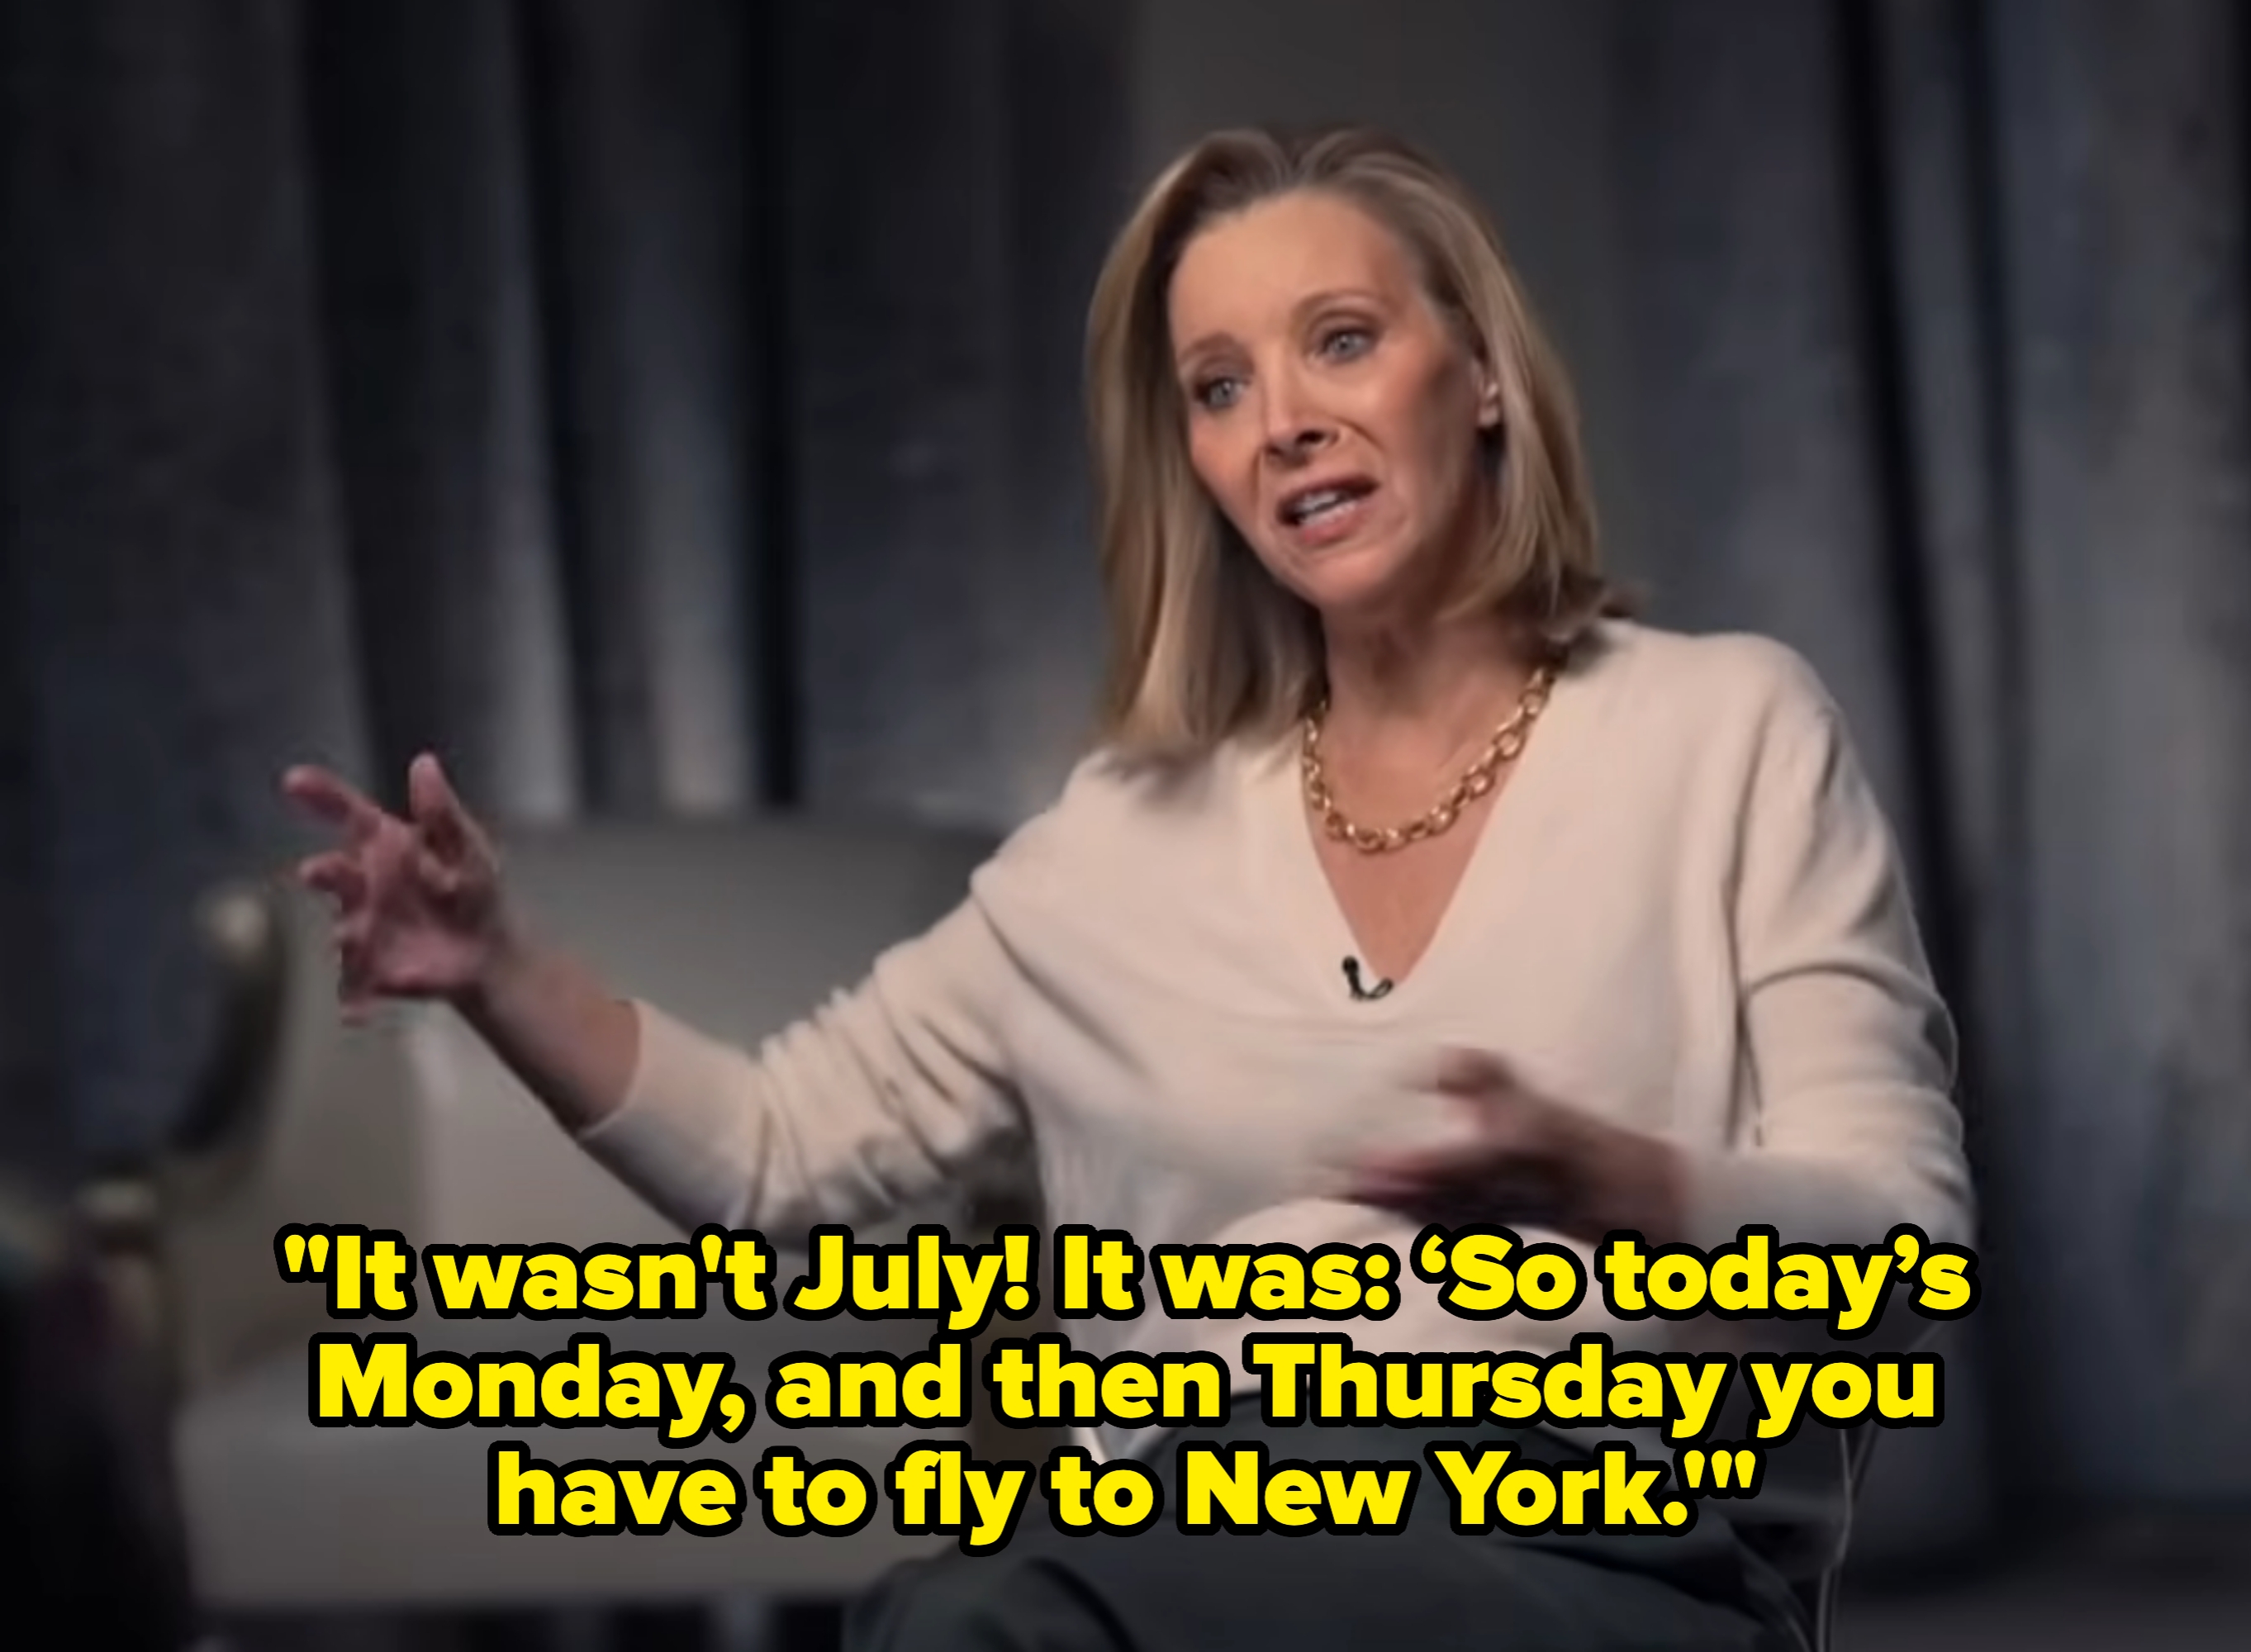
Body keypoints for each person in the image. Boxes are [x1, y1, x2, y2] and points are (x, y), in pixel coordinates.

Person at [283, 126, 1972, 1650]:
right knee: (971, 1608)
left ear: (1478, 375)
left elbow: (1903, 1256)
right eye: (1217, 386)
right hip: (1193, 1528)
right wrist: (495, 966)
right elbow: (779, 1153)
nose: (1282, 419)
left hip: (1614, 1550)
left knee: (977, 1619)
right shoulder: (1113, 844)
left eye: (1340, 340)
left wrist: (1609, 1183)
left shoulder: (1725, 730)